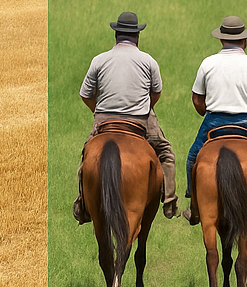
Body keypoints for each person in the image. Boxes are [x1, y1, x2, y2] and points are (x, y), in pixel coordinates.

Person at [72, 11, 179, 223]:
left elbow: (85, 94)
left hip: (104, 118)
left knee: (87, 155)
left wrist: (98, 112)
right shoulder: (148, 61)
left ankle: (83, 202)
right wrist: (145, 110)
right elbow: (155, 93)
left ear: (116, 35)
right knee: (165, 152)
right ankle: (169, 200)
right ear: (137, 36)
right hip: (140, 119)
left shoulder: (99, 60)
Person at [186, 15, 247, 229]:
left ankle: (193, 204)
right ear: (244, 41)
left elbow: (197, 98)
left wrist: (206, 112)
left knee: (193, 157)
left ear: (221, 40)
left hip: (213, 121)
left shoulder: (208, 63)